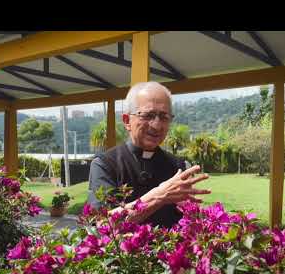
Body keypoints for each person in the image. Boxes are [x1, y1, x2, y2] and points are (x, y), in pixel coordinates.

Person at [87, 81, 210, 227]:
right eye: (148, 115)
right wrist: (159, 196)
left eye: (164, 117)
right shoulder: (105, 164)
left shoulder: (178, 166)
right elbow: (102, 224)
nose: (156, 125)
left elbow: (190, 222)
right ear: (127, 121)